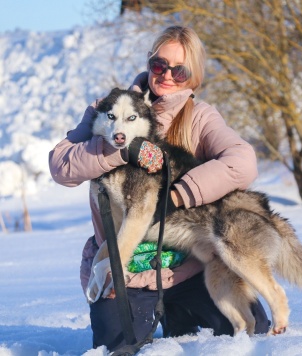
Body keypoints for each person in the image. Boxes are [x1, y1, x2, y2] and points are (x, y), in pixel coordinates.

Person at [49, 26, 269, 352]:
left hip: (189, 269)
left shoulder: (200, 118)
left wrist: (177, 196)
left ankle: (177, 313)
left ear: (193, 76)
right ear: (149, 62)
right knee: (119, 349)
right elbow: (61, 166)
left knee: (256, 329)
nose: (166, 75)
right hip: (126, 273)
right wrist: (121, 149)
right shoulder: (110, 109)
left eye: (179, 70)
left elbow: (243, 163)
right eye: (159, 65)